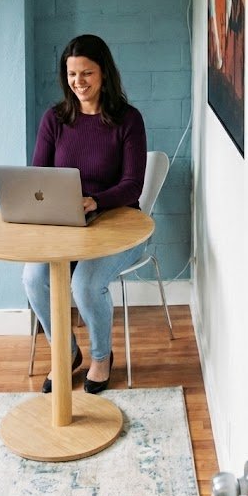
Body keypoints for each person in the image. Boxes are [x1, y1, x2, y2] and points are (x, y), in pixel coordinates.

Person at [23, 33, 147, 394]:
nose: (78, 82)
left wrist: (95, 201)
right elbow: (39, 177)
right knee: (33, 279)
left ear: (104, 73)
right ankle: (65, 352)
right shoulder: (55, 119)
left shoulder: (128, 120)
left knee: (86, 285)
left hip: (119, 222)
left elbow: (133, 185)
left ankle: (101, 356)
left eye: (87, 73)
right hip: (66, 225)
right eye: (72, 74)